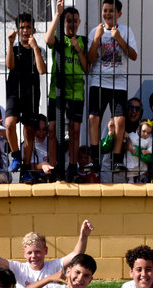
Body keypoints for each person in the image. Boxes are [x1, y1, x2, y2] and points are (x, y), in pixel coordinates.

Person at [86, 0, 138, 173]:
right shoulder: (95, 31)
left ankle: (116, 160)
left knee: (119, 120)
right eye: (105, 10)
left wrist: (119, 39)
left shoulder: (126, 31)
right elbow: (90, 59)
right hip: (98, 82)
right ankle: (94, 159)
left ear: (119, 14)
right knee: (94, 118)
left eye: (111, 11)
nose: (107, 14)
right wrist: (96, 39)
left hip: (119, 83)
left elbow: (133, 56)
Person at [45, 0, 89, 181]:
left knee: (74, 130)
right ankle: (54, 166)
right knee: (53, 128)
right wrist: (57, 14)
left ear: (79, 23)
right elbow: (47, 39)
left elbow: (87, 68)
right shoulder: (59, 39)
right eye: (68, 20)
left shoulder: (83, 41)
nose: (71, 24)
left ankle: (72, 166)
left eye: (75, 20)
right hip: (58, 90)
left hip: (76, 91)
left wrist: (78, 50)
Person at [5, 12, 47, 175]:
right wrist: (10, 44)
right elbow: (10, 65)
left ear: (33, 30)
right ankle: (16, 156)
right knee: (9, 124)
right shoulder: (14, 48)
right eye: (22, 27)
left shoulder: (39, 49)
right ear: (17, 29)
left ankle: (27, 167)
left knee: (29, 130)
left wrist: (35, 47)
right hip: (14, 92)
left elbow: (42, 70)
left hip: (31, 93)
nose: (25, 30)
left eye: (28, 27)